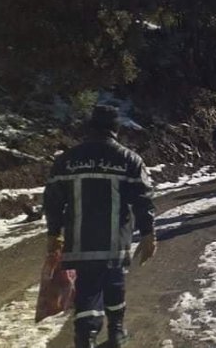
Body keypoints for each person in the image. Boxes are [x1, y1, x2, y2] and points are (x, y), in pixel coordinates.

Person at [43, 105, 156, 348]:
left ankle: (86, 339)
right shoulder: (130, 160)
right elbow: (143, 200)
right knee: (115, 285)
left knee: (86, 292)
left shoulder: (66, 160)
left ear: (90, 127)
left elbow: (52, 200)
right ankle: (116, 332)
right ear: (116, 129)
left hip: (79, 244)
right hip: (115, 244)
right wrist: (148, 234)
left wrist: (54, 234)